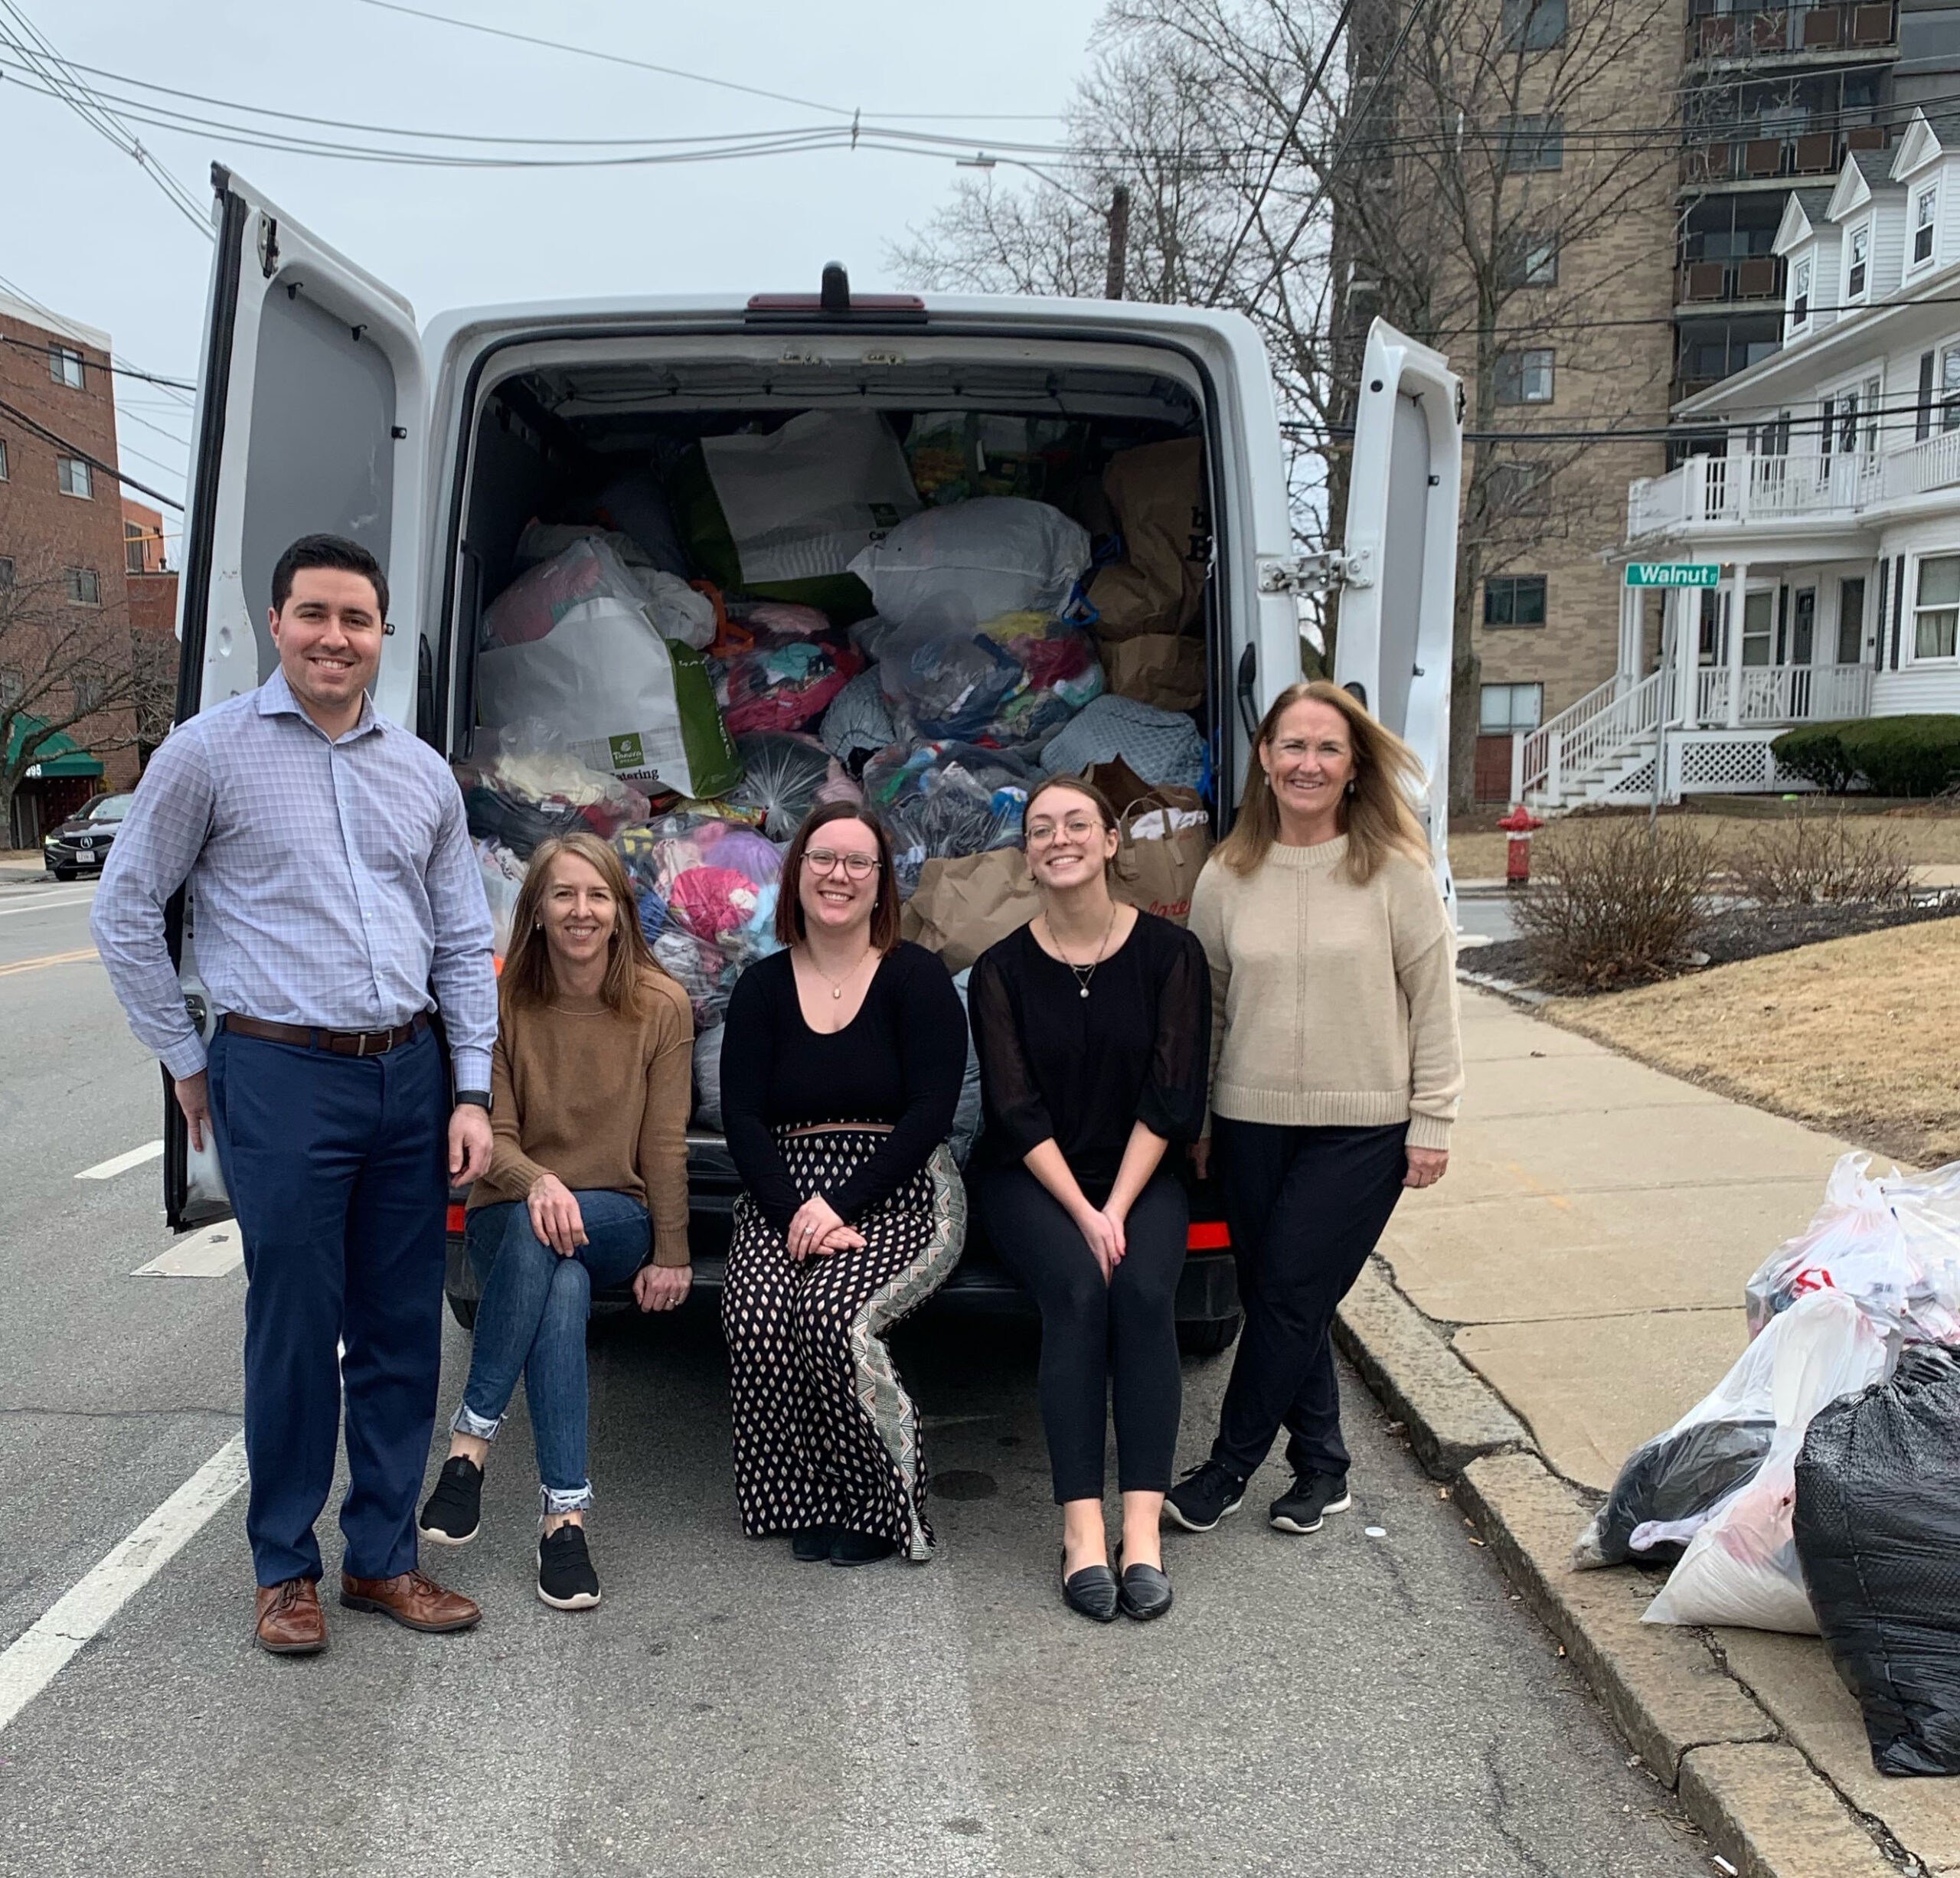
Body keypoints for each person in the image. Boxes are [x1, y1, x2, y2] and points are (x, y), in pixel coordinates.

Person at [93, 533, 497, 1654]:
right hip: (278, 1072)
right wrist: (184, 1058)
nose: (335, 637)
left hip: (409, 1072)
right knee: (293, 1328)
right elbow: (125, 911)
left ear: (381, 637)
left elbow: (464, 943)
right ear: (277, 624)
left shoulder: (418, 772)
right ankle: (286, 1569)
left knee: (403, 1328)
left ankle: (381, 1559)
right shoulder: (207, 753)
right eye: (314, 614)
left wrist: (471, 1089)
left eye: (356, 620)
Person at [1165, 679, 1463, 1540]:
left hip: (1363, 1124)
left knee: (1291, 1291)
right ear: (1263, 757)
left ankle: (1226, 1466)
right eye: (1291, 745)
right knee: (1278, 1298)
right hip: (1249, 1118)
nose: (1307, 762)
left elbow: (1434, 1004)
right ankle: (1323, 1464)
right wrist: (1207, 1121)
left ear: (1354, 764)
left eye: (1327, 747)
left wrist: (1433, 1121)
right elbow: (1212, 1005)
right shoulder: (1229, 871)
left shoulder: (1395, 872)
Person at [416, 833, 694, 1610]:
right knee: (560, 1284)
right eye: (563, 894)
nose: (580, 910)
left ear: (619, 910)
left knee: (567, 1247)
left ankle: (468, 1447)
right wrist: (538, 1181)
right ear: (535, 908)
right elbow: (487, 1134)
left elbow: (664, 1141)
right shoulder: (502, 1001)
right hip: (510, 1209)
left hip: (616, 1213)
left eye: (597, 895)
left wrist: (671, 1248)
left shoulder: (660, 1004)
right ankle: (563, 1521)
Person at [968, 776, 1210, 1623]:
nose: (1060, 838)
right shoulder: (999, 969)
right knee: (1077, 1285)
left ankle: (1140, 1529)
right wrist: (1085, 1210)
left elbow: (1172, 1097)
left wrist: (1117, 1204)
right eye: (1041, 828)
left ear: (1111, 842)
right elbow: (1013, 1106)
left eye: (1078, 823)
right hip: (1031, 1175)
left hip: (1141, 1170)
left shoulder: (1171, 955)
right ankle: (1080, 1530)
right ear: (1027, 853)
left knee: (1143, 1291)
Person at [718, 801, 968, 1566]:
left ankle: (880, 1499)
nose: (839, 875)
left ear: (881, 883)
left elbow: (932, 1110)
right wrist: (795, 1209)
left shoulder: (917, 977)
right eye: (824, 858)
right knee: (757, 1309)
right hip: (784, 1192)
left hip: (896, 1186)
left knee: (833, 1313)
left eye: (859, 862)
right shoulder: (760, 987)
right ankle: (803, 1495)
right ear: (796, 875)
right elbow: (742, 1118)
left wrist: (837, 1204)